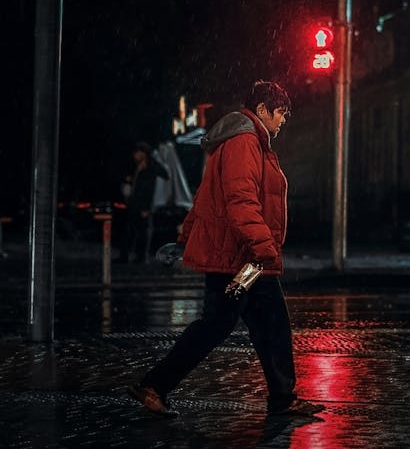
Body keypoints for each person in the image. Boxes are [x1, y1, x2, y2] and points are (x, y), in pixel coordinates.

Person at [128, 80, 325, 419]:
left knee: (266, 325)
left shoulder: (247, 143)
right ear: (263, 110)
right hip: (239, 257)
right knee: (225, 326)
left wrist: (185, 237)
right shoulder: (244, 143)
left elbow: (205, 199)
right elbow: (240, 201)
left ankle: (282, 397)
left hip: (244, 257)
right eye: (281, 114)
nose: (283, 122)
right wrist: (265, 248)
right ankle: (155, 385)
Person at [117, 141, 170, 264]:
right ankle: (126, 256)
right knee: (130, 230)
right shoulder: (138, 165)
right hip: (135, 203)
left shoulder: (151, 166)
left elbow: (163, 176)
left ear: (143, 153)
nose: (134, 155)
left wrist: (147, 207)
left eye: (137, 153)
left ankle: (142, 257)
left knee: (143, 232)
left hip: (145, 204)